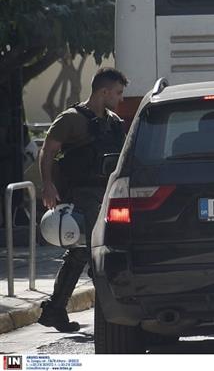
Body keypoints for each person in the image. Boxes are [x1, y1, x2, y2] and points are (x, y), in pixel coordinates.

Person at [37, 67, 128, 332]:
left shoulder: (114, 122)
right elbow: (48, 150)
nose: (122, 98)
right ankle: (113, 322)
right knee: (97, 255)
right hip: (82, 194)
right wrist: (48, 185)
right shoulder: (71, 119)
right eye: (118, 93)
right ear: (104, 92)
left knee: (78, 254)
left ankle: (55, 310)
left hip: (107, 193)